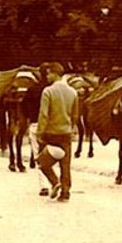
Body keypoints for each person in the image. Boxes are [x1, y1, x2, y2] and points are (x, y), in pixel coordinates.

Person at [36, 62, 79, 202]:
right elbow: (75, 115)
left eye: (49, 73)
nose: (47, 76)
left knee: (42, 162)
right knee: (65, 165)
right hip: (66, 133)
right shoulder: (73, 92)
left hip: (50, 133)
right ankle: (65, 192)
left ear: (55, 74)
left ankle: (55, 182)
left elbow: (44, 115)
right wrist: (71, 129)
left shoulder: (48, 91)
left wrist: (39, 133)